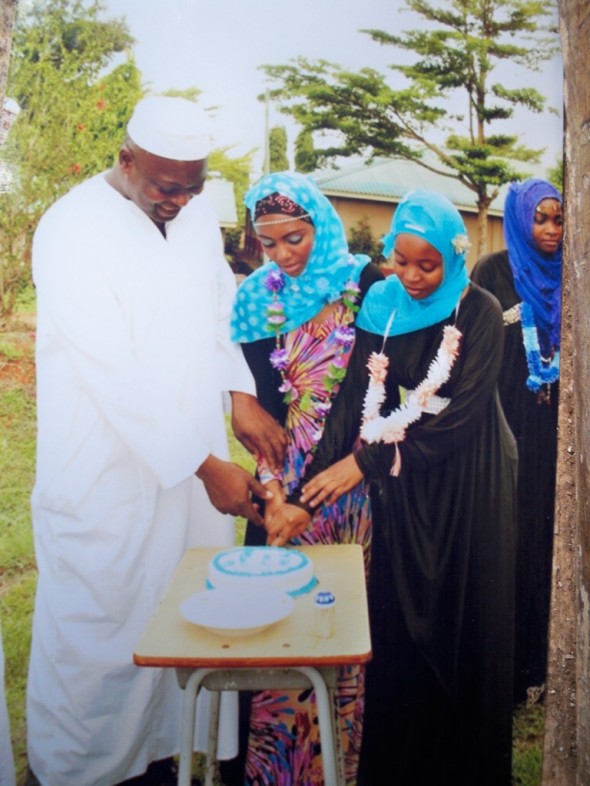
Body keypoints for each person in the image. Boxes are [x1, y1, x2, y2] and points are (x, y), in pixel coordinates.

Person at [27, 96, 285, 786]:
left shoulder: (196, 214)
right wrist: (207, 467)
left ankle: (172, 759)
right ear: (126, 161)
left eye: (192, 185)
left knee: (184, 613)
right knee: (100, 634)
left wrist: (240, 395)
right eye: (165, 186)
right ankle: (81, 772)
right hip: (103, 470)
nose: (179, 200)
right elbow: (112, 374)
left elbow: (213, 309)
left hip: (191, 461)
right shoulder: (71, 229)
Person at [268, 190, 518, 785]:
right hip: (405, 485)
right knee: (401, 624)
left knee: (462, 626)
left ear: (452, 258)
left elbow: (459, 418)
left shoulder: (477, 310)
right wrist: (305, 498)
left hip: (470, 482)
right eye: (400, 260)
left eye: (426, 265)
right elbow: (352, 403)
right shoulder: (379, 304)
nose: (411, 276)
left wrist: (367, 466)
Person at [225, 171, 383, 785]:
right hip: (278, 495)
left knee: (334, 638)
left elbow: (390, 387)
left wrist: (344, 473)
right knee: (270, 630)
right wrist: (271, 489)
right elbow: (253, 393)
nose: (285, 255)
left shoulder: (364, 286)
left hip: (343, 494)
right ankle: (271, 773)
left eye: (295, 238)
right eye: (269, 243)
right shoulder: (255, 298)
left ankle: (335, 771)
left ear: (319, 223)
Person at [472, 178, 562, 704]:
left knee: (545, 542)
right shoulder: (495, 271)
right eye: (541, 219)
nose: (551, 230)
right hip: (505, 427)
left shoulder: (571, 274)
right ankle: (503, 672)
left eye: (558, 219)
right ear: (520, 219)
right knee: (507, 541)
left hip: (555, 435)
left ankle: (541, 666)